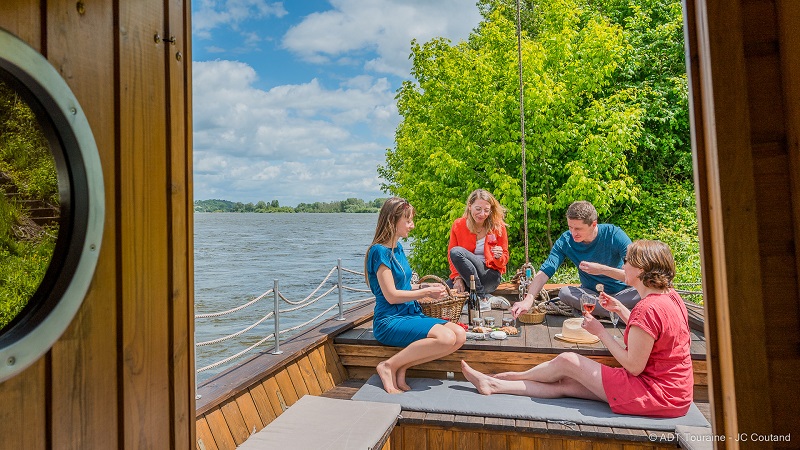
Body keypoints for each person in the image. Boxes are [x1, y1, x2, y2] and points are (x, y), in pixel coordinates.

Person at [462, 240, 694, 418]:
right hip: (675, 394)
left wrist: (600, 332)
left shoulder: (648, 308)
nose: (622, 266)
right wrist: (620, 310)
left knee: (568, 361)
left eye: (627, 262)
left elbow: (634, 366)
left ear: (641, 269)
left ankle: (502, 376)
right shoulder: (670, 298)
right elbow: (653, 335)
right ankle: (493, 384)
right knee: (569, 384)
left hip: (654, 394)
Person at [365, 197, 467, 394]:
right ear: (392, 221)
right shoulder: (379, 252)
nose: (412, 225)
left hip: (410, 314)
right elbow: (392, 296)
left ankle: (402, 366)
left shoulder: (398, 248)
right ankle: (388, 366)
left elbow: (403, 285)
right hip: (390, 320)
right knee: (445, 338)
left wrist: (422, 285)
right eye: (408, 221)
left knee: (460, 335)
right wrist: (427, 292)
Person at [510, 200, 638, 318]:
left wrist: (602, 269)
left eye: (578, 229)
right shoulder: (566, 240)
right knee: (565, 293)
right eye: (570, 227)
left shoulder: (614, 235)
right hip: (592, 296)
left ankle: (603, 312)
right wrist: (528, 299)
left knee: (648, 290)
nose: (573, 233)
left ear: (593, 224)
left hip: (623, 293)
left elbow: (636, 275)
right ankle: (621, 315)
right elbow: (546, 270)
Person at [446, 189, 510, 301]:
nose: (482, 214)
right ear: (470, 206)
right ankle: (485, 298)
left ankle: (480, 297)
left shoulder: (498, 226)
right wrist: (457, 278)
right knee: (444, 289)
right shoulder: (458, 225)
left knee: (457, 251)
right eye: (478, 209)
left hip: (489, 277)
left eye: (486, 210)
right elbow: (452, 258)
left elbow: (504, 258)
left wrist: (498, 257)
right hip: (467, 278)